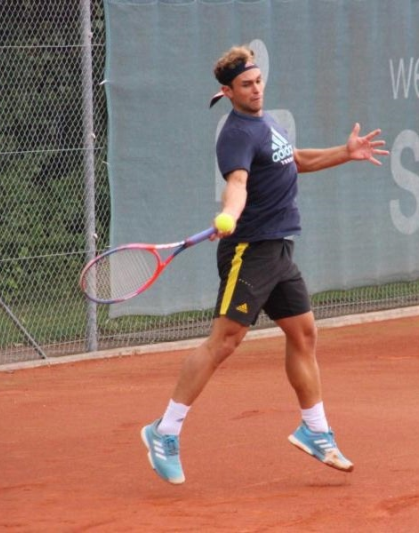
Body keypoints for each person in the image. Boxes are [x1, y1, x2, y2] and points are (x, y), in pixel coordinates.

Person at [141, 45, 389, 485]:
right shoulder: (236, 133)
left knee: (304, 333)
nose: (256, 89)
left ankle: (315, 431)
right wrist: (230, 214)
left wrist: (344, 152)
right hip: (249, 250)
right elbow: (237, 183)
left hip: (278, 250)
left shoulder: (266, 122)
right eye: (246, 85)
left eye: (258, 81)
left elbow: (294, 160)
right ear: (228, 91)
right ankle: (165, 430)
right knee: (224, 342)